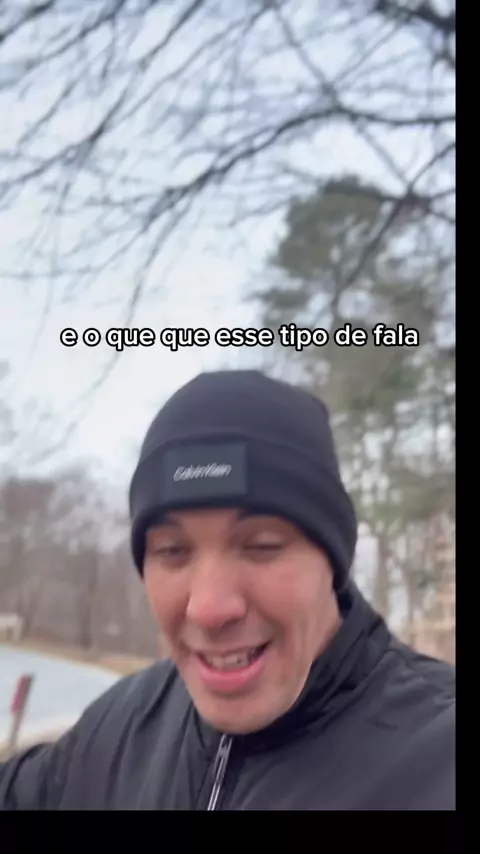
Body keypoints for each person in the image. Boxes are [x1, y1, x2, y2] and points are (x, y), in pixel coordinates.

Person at [0, 370, 455, 810]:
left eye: (262, 546)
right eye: (173, 551)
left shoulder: (439, 757)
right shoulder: (122, 724)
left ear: (332, 564)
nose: (209, 608)